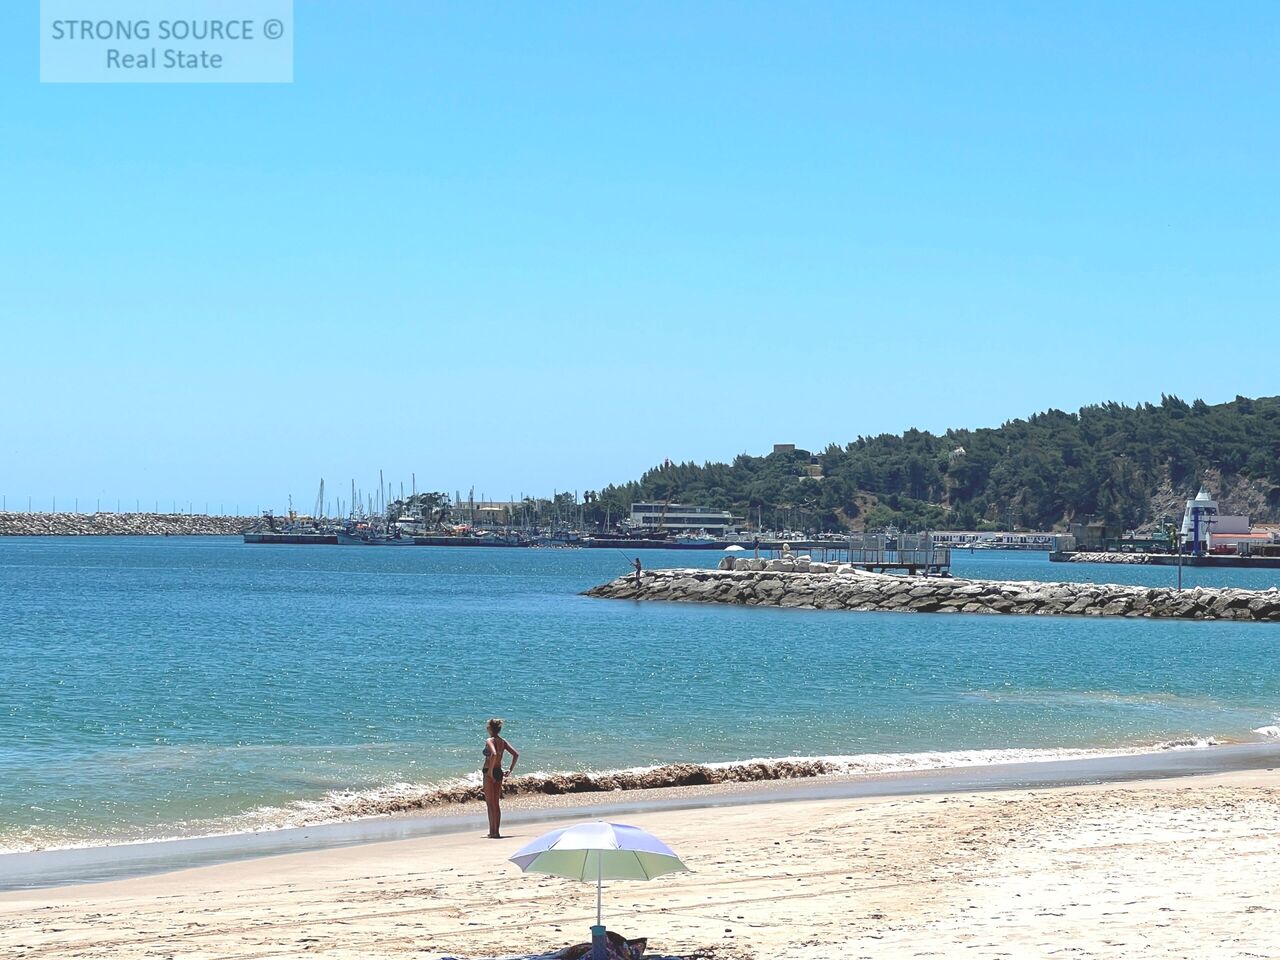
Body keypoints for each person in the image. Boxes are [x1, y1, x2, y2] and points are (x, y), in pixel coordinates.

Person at [481, 717, 518, 838]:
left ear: (490, 728)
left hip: (489, 771)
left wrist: (490, 772)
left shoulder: (490, 740)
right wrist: (510, 770)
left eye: (487, 726)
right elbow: (516, 754)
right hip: (499, 772)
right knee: (496, 804)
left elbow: (494, 754)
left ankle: (493, 832)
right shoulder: (502, 741)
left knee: (490, 804)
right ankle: (496, 831)